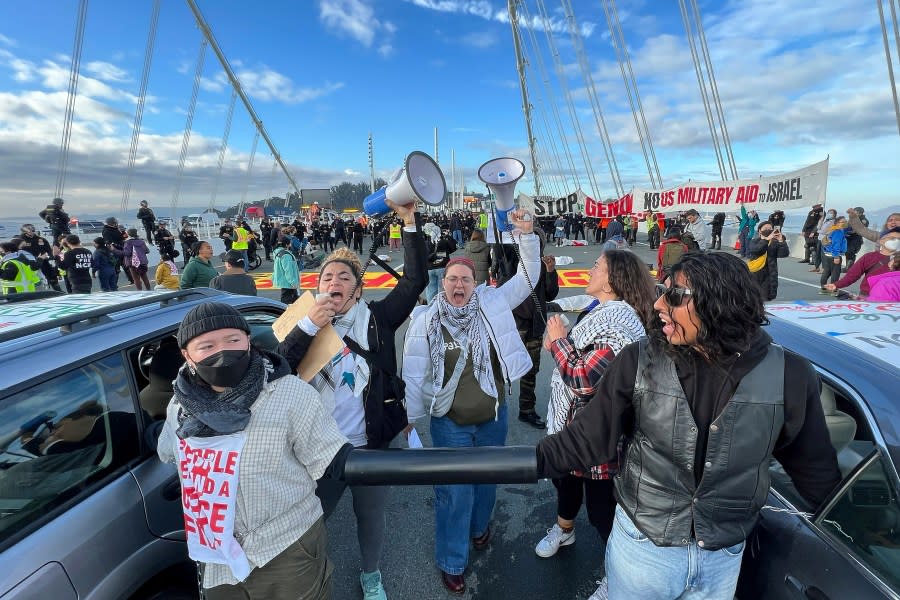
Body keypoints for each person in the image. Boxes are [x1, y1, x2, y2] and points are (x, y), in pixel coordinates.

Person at [535, 252, 842, 600]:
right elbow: (588, 438)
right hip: (643, 547)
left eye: (675, 296)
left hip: (723, 557)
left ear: (719, 303)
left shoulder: (791, 375)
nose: (660, 303)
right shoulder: (639, 359)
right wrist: (517, 462)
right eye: (663, 291)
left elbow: (814, 470)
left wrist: (865, 533)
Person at [277, 200, 426, 600]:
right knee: (309, 519)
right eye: (328, 276)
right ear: (318, 287)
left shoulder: (377, 318)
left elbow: (414, 281)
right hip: (317, 449)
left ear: (358, 290)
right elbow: (279, 370)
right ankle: (309, 574)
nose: (335, 280)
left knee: (370, 516)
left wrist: (409, 221)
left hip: (369, 443)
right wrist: (309, 325)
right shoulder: (300, 323)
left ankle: (371, 574)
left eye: (345, 276)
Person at [155, 302, 351, 600]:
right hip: (216, 553)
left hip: (287, 547)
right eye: (206, 345)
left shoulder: (289, 393)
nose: (222, 352)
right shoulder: (179, 406)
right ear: (187, 356)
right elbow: (169, 451)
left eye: (233, 340)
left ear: (249, 341)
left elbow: (329, 458)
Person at [403, 210, 539, 594]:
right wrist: (412, 421)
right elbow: (414, 374)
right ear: (442, 283)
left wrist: (526, 237)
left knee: (488, 481)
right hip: (449, 423)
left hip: (492, 417)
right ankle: (452, 560)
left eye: (465, 278)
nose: (459, 284)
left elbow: (528, 279)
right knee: (454, 492)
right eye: (452, 279)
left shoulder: (493, 303)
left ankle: (481, 527)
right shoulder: (426, 320)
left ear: (476, 284)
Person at [536, 249, 655, 591]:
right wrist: (562, 346)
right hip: (576, 430)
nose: (590, 270)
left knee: (604, 512)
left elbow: (585, 378)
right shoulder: (603, 312)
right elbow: (581, 358)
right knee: (567, 485)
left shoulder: (618, 322)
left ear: (614, 279)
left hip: (599, 436)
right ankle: (564, 530)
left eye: (597, 267)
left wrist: (559, 342)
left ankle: (616, 578)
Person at [494, 238, 559, 429]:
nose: (534, 246)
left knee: (531, 370)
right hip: (513, 325)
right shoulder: (511, 258)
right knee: (499, 368)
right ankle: (492, 407)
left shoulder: (541, 264)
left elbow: (551, 293)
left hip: (535, 326)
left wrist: (550, 272)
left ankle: (527, 410)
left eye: (537, 242)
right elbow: (499, 248)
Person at [825, 227, 900, 298]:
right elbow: (852, 275)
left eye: (899, 239)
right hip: (867, 296)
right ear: (881, 240)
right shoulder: (869, 257)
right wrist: (836, 285)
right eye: (892, 238)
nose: (896, 241)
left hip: (894, 299)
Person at [747, 222, 790, 301]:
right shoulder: (754, 241)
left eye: (770, 229)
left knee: (766, 298)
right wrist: (766, 240)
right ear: (760, 231)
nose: (768, 230)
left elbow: (784, 254)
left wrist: (781, 241)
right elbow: (756, 250)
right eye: (765, 229)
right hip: (755, 273)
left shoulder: (774, 242)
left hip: (769, 274)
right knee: (753, 297)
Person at [14, 223, 61, 291]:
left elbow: (48, 249)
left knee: (52, 276)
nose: (32, 233)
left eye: (33, 231)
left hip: (44, 261)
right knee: (36, 279)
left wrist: (50, 257)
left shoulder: (41, 239)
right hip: (30, 263)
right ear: (24, 232)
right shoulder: (20, 241)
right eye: (29, 231)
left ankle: (58, 290)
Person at [819, 215, 848, 293]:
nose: (845, 223)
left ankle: (823, 288)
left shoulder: (832, 229)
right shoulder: (838, 232)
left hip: (828, 254)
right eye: (843, 222)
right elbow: (836, 244)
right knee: (835, 273)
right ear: (837, 223)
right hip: (834, 254)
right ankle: (833, 289)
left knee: (827, 271)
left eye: (845, 221)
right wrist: (836, 256)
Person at [272, 237, 300, 304]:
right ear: (287, 244)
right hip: (288, 283)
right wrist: (293, 282)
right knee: (287, 302)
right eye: (290, 243)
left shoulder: (277, 252)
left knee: (293, 301)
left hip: (283, 281)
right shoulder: (286, 255)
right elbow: (288, 270)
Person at [811, 208, 837, 273]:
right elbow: (818, 227)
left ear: (834, 215)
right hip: (820, 239)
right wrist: (821, 220)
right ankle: (816, 267)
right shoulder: (826, 221)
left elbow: (824, 231)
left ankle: (824, 268)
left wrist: (818, 231)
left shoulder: (833, 222)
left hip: (825, 240)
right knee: (818, 254)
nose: (829, 214)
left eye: (831, 213)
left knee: (823, 255)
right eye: (828, 213)